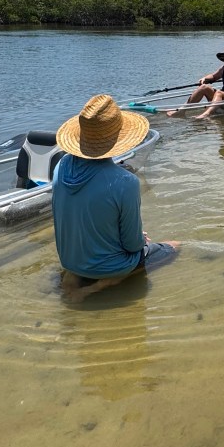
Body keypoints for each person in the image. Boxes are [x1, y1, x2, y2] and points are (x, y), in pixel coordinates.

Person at [52, 93, 179, 302]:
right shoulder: (125, 182)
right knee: (175, 246)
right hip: (110, 268)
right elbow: (132, 245)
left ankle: (73, 279)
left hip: (70, 261)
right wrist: (141, 238)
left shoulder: (61, 166)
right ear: (118, 138)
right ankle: (104, 284)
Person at [167, 44, 224, 119]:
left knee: (219, 93)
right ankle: (182, 111)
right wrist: (204, 78)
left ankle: (206, 114)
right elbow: (214, 76)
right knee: (204, 87)